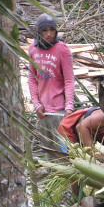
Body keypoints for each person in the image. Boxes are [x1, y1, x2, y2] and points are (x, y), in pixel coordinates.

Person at [28, 13, 75, 151]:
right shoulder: (33, 49)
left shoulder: (62, 49)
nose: (49, 34)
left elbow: (69, 80)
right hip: (42, 112)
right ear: (39, 32)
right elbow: (32, 79)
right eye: (45, 30)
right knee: (48, 152)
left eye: (52, 30)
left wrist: (69, 106)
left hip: (59, 111)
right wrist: (36, 104)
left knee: (63, 152)